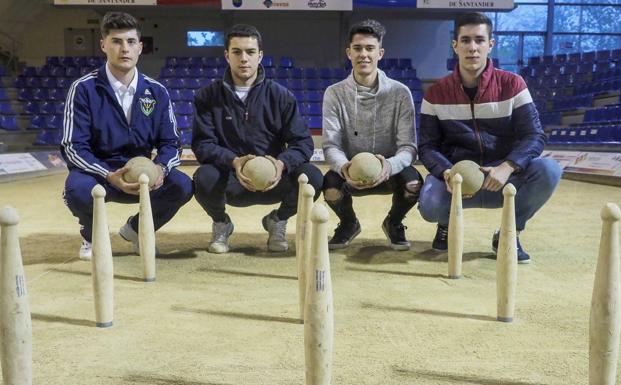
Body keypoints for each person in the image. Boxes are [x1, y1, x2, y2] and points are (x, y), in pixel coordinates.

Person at [417, 12, 562, 263]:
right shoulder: (435, 93)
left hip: (504, 177)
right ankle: (445, 223)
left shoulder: (513, 85)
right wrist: (447, 173)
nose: (472, 47)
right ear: (455, 45)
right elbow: (428, 147)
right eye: (465, 40)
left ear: (490, 44)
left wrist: (508, 166)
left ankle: (509, 232)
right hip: (458, 179)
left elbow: (534, 135)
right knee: (429, 203)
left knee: (549, 170)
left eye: (479, 40)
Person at [61, 12, 193, 261]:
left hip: (142, 173)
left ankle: (136, 230)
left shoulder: (157, 91)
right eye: (116, 41)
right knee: (77, 190)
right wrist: (108, 175)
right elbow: (72, 147)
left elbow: (171, 143)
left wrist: (161, 169)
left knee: (183, 185)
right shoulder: (83, 89)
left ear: (140, 47)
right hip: (99, 173)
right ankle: (91, 234)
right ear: (103, 45)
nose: (124, 49)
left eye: (131, 42)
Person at [192, 24, 322, 254]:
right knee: (203, 177)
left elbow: (303, 143)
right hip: (232, 180)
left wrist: (280, 164)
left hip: (274, 179)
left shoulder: (281, 96)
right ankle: (222, 223)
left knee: (312, 176)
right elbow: (202, 145)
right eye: (237, 52)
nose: (244, 58)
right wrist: (234, 162)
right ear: (227, 55)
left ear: (260, 56)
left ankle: (278, 220)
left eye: (250, 52)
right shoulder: (208, 96)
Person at [322, 19, 422, 251]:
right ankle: (348, 224)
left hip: (389, 170)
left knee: (414, 183)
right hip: (350, 171)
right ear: (349, 53)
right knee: (329, 187)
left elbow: (408, 147)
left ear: (380, 53)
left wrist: (388, 165)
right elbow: (331, 145)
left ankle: (394, 222)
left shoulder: (400, 93)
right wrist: (345, 167)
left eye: (370, 48)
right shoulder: (334, 94)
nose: (363, 54)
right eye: (357, 48)